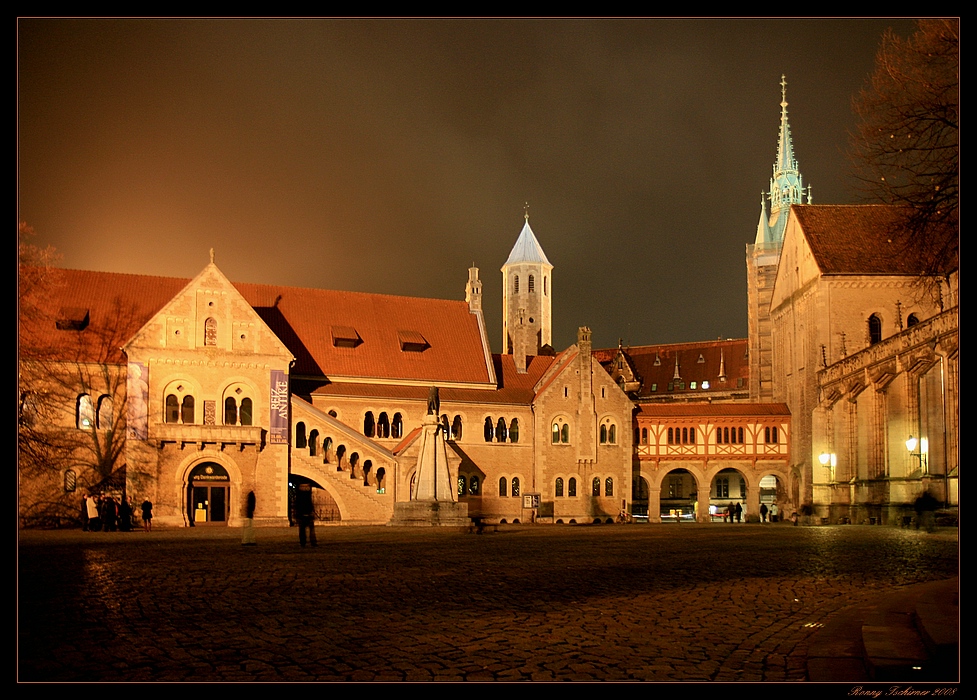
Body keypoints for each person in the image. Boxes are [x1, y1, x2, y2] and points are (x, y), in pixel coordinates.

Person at [295, 483, 317, 547]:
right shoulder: (307, 496)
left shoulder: (299, 497)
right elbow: (310, 505)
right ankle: (312, 542)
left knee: (302, 530)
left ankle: (303, 542)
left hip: (302, 514)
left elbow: (297, 505)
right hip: (307, 513)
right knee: (310, 530)